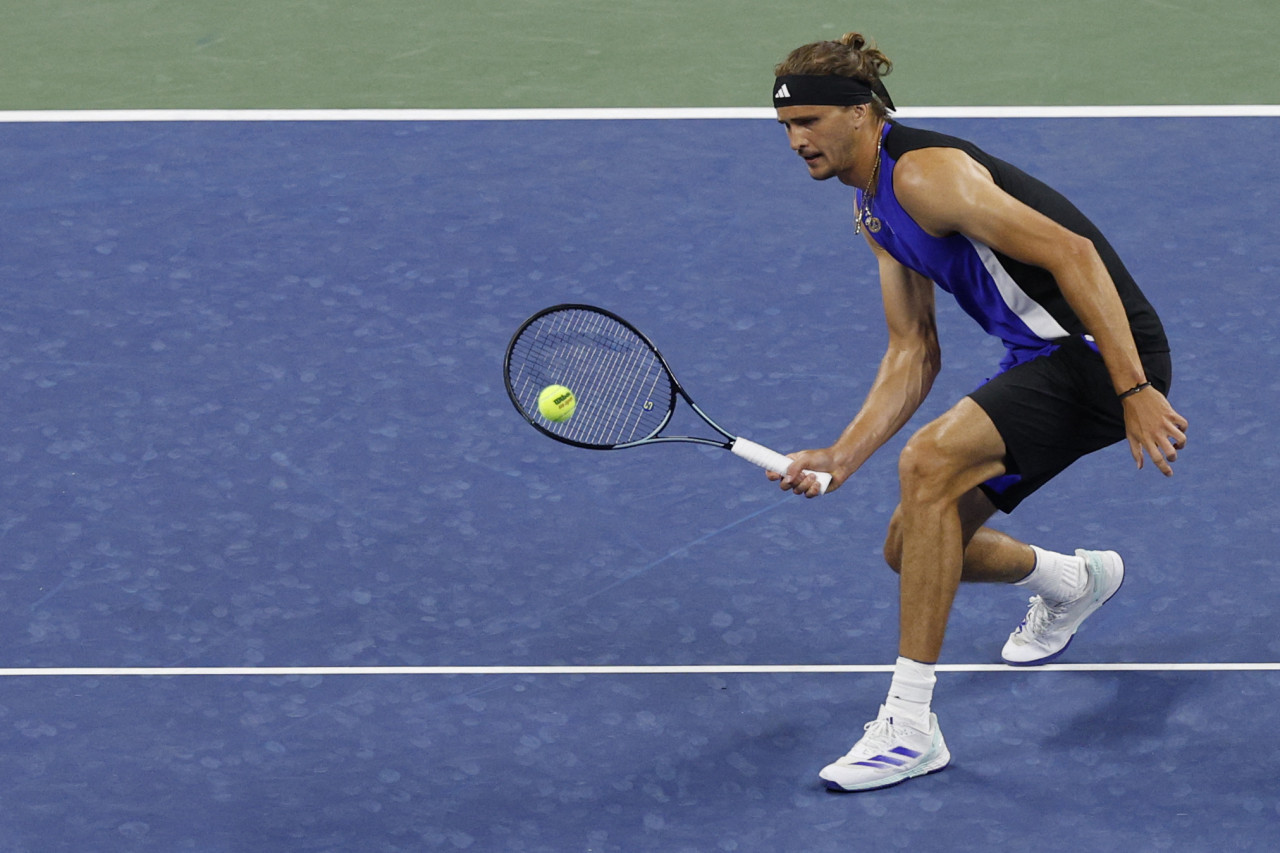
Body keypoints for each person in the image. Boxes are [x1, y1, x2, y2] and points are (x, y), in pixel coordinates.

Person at [765, 33, 1189, 792]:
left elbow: (1075, 253)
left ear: (863, 114)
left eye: (813, 121)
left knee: (927, 463)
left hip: (1098, 351)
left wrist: (1132, 388)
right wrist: (841, 453)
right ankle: (1071, 579)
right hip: (1042, 356)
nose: (798, 141)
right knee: (914, 545)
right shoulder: (871, 209)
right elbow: (914, 350)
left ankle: (909, 725)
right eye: (788, 127)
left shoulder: (927, 176)